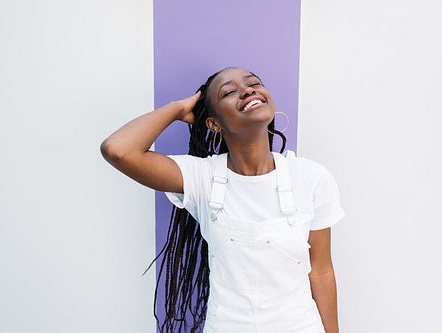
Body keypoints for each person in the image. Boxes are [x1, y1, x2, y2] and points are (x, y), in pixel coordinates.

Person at [100, 67, 345, 333]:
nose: (248, 90)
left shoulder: (311, 178)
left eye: (255, 84)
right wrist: (177, 108)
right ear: (214, 123)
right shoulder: (201, 178)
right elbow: (118, 150)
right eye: (229, 91)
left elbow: (321, 271)